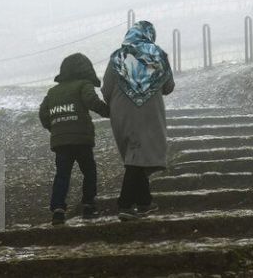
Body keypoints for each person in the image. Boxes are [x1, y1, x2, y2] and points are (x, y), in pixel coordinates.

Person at [102, 21, 175, 221]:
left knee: (135, 154)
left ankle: (145, 202)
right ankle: (125, 204)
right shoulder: (157, 55)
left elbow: (106, 89)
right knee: (139, 155)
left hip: (122, 113)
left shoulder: (117, 57)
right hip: (150, 113)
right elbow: (168, 87)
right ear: (149, 35)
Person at [39, 52, 110, 225]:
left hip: (61, 141)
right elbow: (92, 101)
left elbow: (43, 114)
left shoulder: (53, 91)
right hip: (81, 139)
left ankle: (58, 210)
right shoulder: (83, 84)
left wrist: (56, 128)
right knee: (89, 171)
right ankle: (88, 204)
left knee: (62, 175)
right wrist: (110, 112)